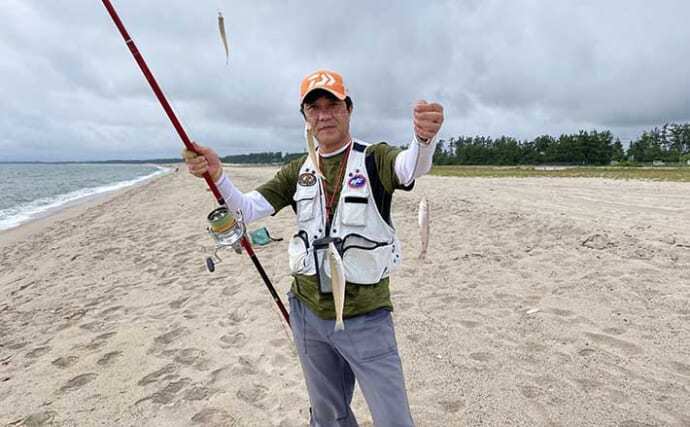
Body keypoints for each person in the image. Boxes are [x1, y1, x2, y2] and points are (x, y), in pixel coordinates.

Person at [185, 69, 443, 426]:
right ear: (306, 117)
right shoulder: (297, 169)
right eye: (314, 108)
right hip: (307, 313)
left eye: (332, 105)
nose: (323, 115)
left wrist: (423, 139)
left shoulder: (374, 158)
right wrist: (218, 175)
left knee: (394, 419)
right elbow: (245, 209)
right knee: (328, 416)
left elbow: (409, 167)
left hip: (367, 317)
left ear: (348, 109)